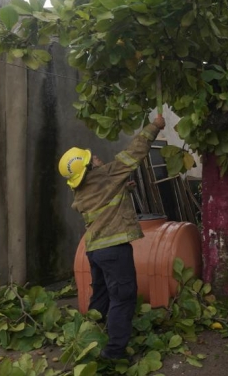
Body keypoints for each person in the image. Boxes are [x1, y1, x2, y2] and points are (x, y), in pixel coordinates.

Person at [57, 113, 166, 360]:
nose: (95, 156)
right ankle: (115, 352)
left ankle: (91, 338)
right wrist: (154, 126)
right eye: (90, 158)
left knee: (102, 295)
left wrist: (122, 188)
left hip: (94, 249)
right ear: (88, 168)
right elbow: (134, 153)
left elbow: (105, 199)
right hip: (114, 249)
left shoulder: (82, 192)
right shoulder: (106, 175)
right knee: (123, 297)